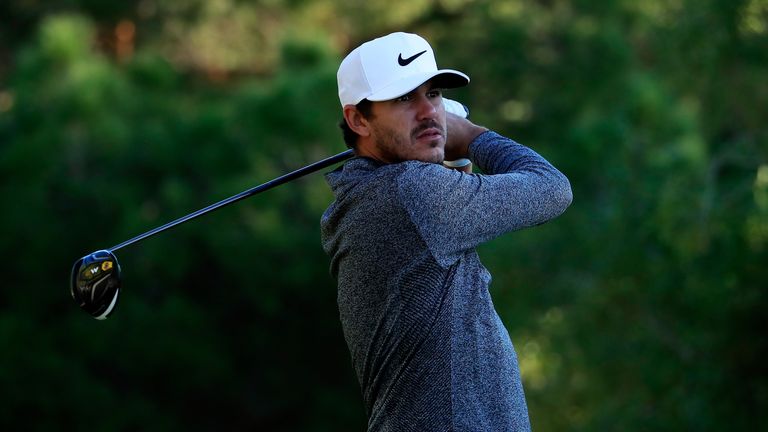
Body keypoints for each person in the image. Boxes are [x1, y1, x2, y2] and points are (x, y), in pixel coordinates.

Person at [321, 32, 572, 431]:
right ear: (358, 119)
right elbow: (552, 189)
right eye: (404, 98)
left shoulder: (361, 196)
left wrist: (442, 152)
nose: (428, 112)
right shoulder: (413, 193)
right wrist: (474, 137)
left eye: (433, 94)